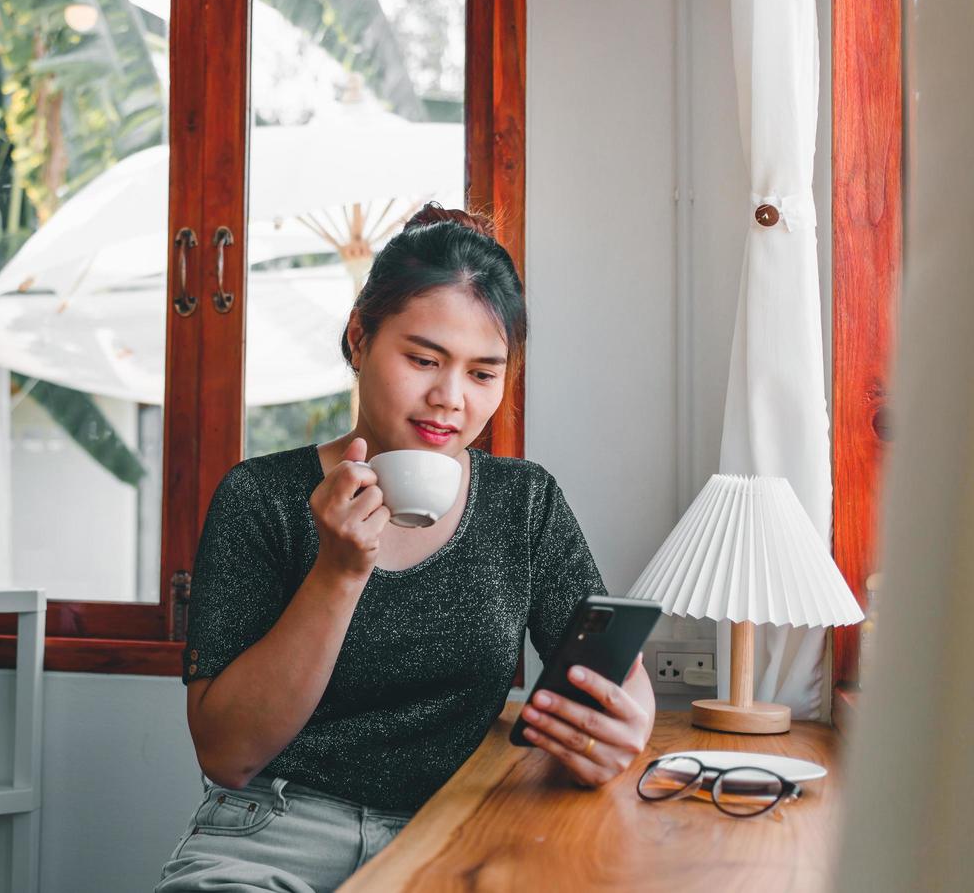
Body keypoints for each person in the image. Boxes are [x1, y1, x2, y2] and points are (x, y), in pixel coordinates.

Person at [154, 204, 657, 892]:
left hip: (458, 830)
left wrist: (623, 734)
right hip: (272, 833)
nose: (450, 399)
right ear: (359, 337)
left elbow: (614, 679)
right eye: (423, 359)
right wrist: (337, 572)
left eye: (483, 374)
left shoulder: (524, 503)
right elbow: (228, 756)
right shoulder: (262, 497)